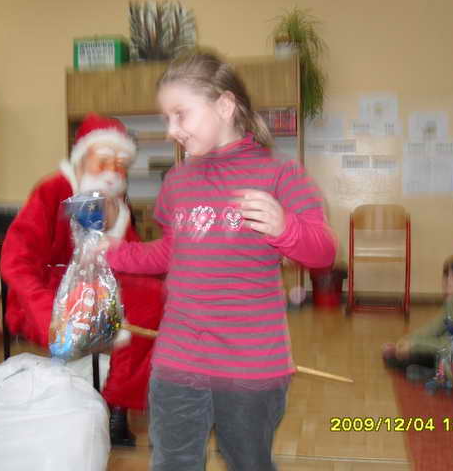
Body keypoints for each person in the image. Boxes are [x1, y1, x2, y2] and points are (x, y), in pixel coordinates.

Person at [103, 51, 337, 471]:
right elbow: (171, 252)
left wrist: (285, 227)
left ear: (225, 106)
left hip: (251, 366)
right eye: (166, 118)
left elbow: (323, 252)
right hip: (177, 358)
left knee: (248, 463)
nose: (171, 130)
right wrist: (112, 253)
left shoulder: (280, 175)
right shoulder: (177, 182)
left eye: (180, 114)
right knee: (172, 463)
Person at [0, 113, 165, 446]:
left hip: (101, 290)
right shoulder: (52, 190)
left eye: (120, 164)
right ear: (81, 156)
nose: (112, 170)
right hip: (48, 296)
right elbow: (16, 260)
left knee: (155, 298)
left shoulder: (116, 203)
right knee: (142, 304)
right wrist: (46, 310)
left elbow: (131, 258)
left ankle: (117, 404)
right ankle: (96, 405)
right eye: (103, 160)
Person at [382, 254, 453, 382]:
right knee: (399, 356)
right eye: (446, 275)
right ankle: (429, 371)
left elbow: (449, 344)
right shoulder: (452, 301)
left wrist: (414, 345)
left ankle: (432, 372)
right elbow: (433, 328)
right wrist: (406, 341)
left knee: (409, 357)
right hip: (451, 354)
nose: (448, 280)